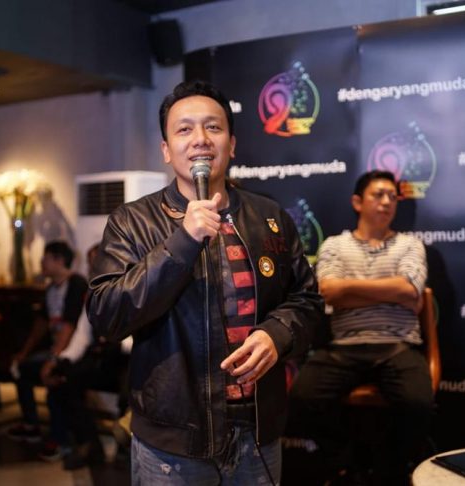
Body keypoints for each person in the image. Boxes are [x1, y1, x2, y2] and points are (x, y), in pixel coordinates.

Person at [87, 80, 323, 485]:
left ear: (232, 145)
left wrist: (277, 334)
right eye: (184, 129)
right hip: (174, 444)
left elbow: (307, 300)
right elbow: (107, 314)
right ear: (166, 150)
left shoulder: (269, 216)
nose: (200, 139)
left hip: (257, 433)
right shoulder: (132, 221)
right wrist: (183, 242)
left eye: (213, 127)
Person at [288, 170, 432, 486]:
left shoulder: (410, 245)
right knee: (301, 399)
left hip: (397, 345)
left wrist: (351, 290)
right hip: (344, 346)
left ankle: (387, 471)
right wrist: (394, 292)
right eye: (378, 194)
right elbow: (328, 291)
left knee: (418, 403)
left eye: (392, 196)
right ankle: (347, 462)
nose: (386, 202)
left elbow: (409, 289)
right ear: (357, 202)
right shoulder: (334, 245)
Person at [7, 240, 89, 462]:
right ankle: (31, 424)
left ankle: (60, 440)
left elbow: (70, 328)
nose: (41, 262)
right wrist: (24, 352)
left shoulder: (76, 284)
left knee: (55, 379)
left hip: (75, 353)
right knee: (21, 369)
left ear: (59, 260)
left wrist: (53, 360)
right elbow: (41, 324)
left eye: (45, 258)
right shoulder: (52, 288)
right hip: (57, 350)